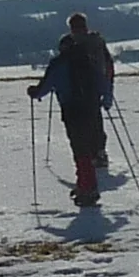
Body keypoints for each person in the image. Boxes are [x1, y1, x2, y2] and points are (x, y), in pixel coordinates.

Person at [28, 28, 112, 207]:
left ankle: (88, 188)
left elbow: (44, 88)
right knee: (87, 149)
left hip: (73, 112)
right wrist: (106, 98)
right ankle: (84, 184)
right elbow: (102, 82)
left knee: (80, 150)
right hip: (91, 109)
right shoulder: (87, 60)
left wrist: (33, 92)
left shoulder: (58, 64)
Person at [62, 12, 116, 168]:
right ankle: (99, 152)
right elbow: (108, 66)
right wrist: (107, 90)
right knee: (95, 121)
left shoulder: (67, 44)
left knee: (80, 126)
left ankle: (88, 155)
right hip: (95, 89)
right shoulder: (96, 42)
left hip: (74, 92)